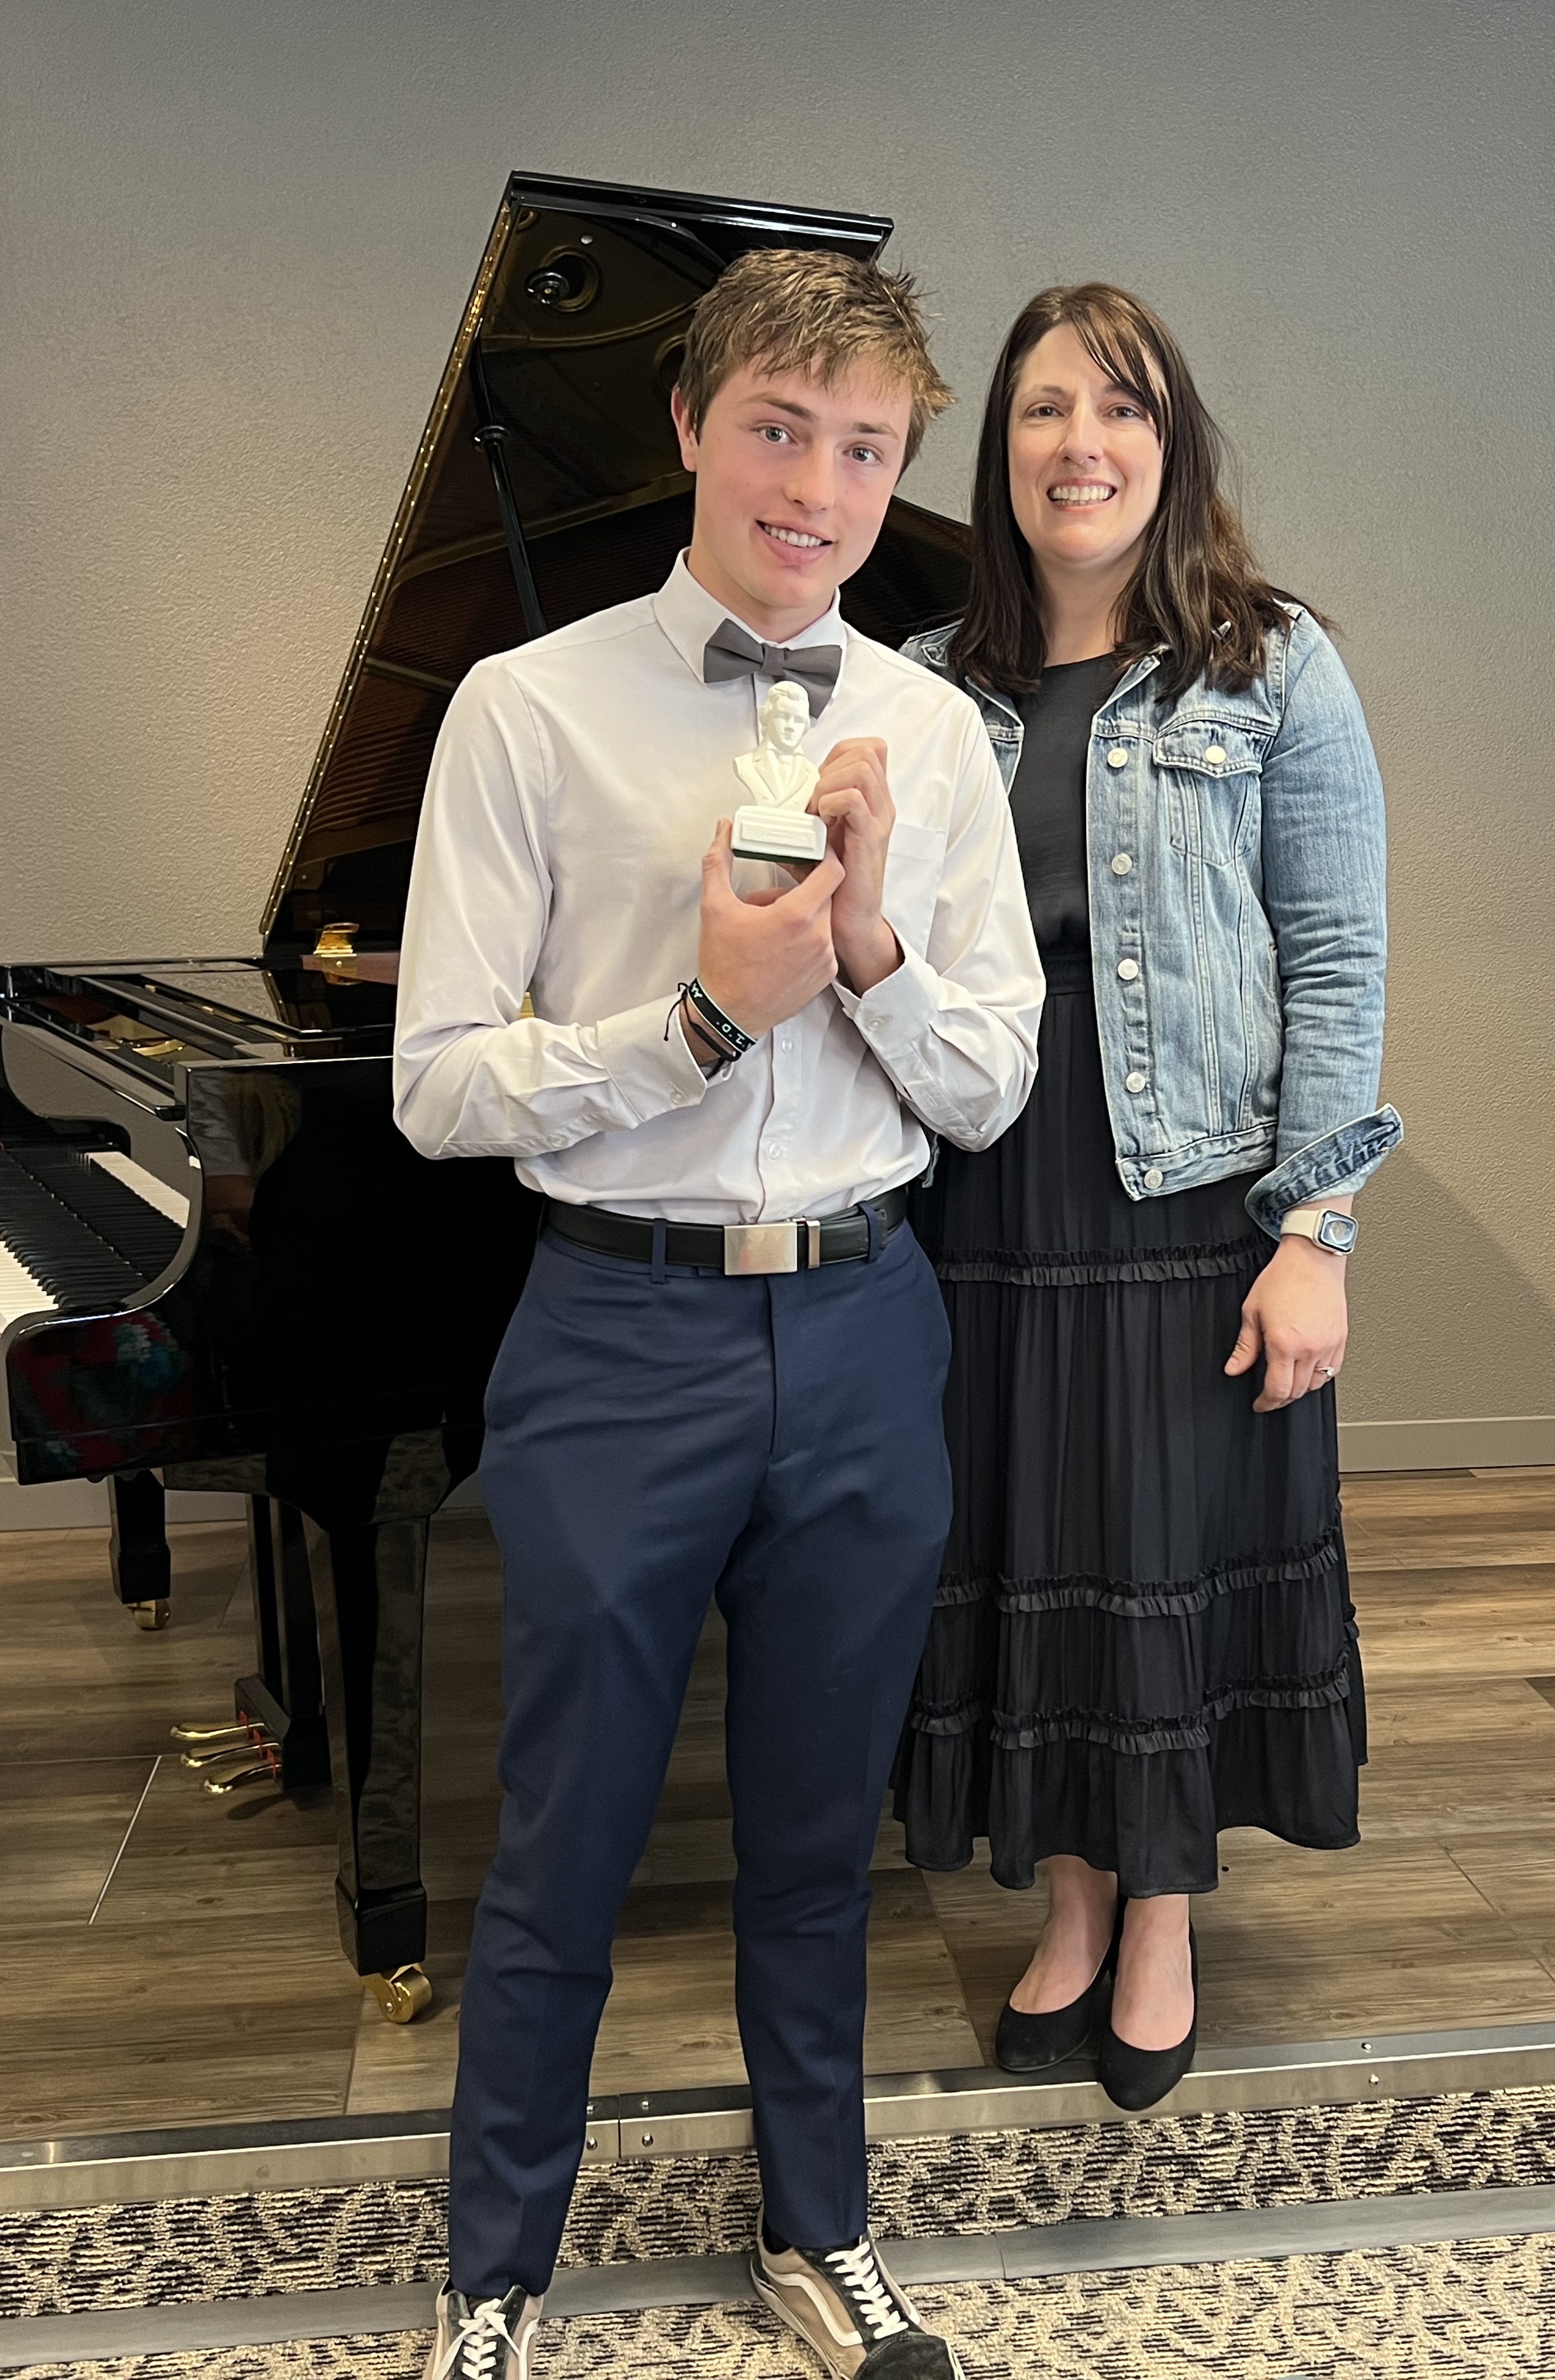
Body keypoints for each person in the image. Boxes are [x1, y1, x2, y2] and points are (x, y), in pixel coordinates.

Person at [394, 246, 1044, 2380]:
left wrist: (866, 955)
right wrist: (695, 1022)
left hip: (864, 1328)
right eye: (779, 429)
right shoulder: (528, 709)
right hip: (618, 1334)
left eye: (865, 449)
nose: (820, 490)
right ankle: (497, 2271)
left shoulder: (932, 734)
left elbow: (991, 1084)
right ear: (689, 425)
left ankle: (817, 2227)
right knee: (563, 1841)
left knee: (819, 1834)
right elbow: (435, 1086)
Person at [893, 283, 1402, 2113]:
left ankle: (1164, 1920)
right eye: (1045, 409)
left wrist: (1315, 1234)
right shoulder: (930, 684)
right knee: (1035, 1561)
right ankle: (1075, 1904)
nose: (1081, 443)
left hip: (1191, 1204)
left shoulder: (1272, 665)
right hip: (986, 1204)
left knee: (1164, 1572)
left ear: (1169, 443)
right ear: (1002, 450)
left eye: (1120, 407)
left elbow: (1336, 958)